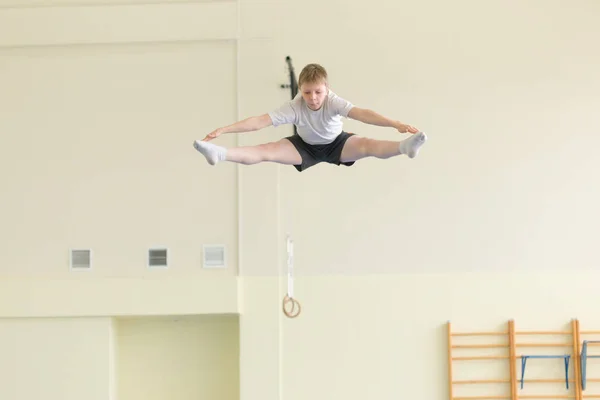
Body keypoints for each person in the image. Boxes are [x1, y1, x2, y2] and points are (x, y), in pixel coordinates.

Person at [193, 63, 427, 172]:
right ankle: (220, 153)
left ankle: (404, 147)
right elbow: (259, 121)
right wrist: (224, 130)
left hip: (337, 143)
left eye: (318, 92)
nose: (313, 98)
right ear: (300, 89)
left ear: (326, 88)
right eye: (307, 92)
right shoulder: (295, 106)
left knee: (368, 145)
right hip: (303, 147)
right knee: (266, 150)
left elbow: (363, 114)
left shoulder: (333, 101)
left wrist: (395, 124)